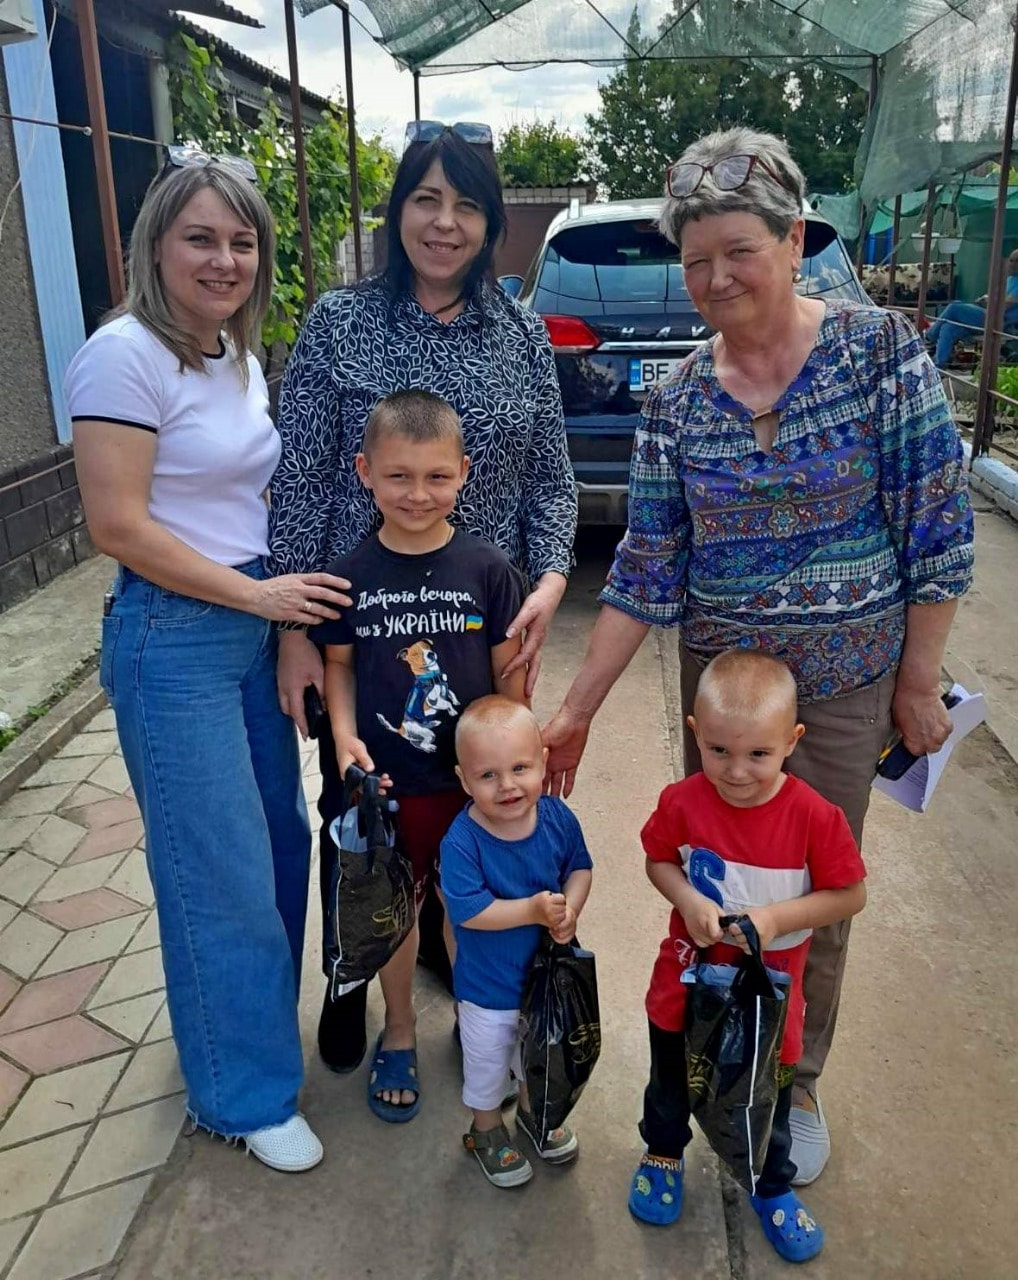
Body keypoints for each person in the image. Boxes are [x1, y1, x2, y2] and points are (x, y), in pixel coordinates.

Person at [543, 126, 974, 1185]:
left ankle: (795, 1079)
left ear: (792, 241)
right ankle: (721, 1046)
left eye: (738, 249)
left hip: (843, 688)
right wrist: (576, 709)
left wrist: (917, 680)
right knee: (722, 881)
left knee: (813, 885)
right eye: (695, 260)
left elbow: (937, 526)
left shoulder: (879, 353)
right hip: (727, 704)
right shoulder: (677, 397)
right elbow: (646, 566)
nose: (715, 278)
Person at [65, 152, 352, 1172]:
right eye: (200, 237)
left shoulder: (231, 351)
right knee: (216, 868)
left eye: (241, 241)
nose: (224, 259)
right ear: (156, 244)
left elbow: (248, 498)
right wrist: (261, 599)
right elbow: (117, 525)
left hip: (249, 626)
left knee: (276, 843)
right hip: (175, 636)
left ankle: (236, 1033)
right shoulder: (121, 356)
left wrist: (282, 624)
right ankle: (241, 1093)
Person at [271, 122, 577, 1077]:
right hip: (363, 619)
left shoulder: (521, 332)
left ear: (490, 224)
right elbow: (300, 479)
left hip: (483, 624)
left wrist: (550, 582)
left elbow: (551, 479)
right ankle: (350, 972)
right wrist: (294, 625)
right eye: (426, 200)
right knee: (363, 807)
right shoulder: (340, 324)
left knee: (481, 799)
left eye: (467, 206)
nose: (445, 224)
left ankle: (456, 944)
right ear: (398, 210)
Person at [309, 390, 527, 1121]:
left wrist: (518, 758)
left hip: (470, 792)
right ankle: (398, 1029)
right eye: (398, 476)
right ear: (365, 472)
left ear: (464, 472)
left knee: (469, 912)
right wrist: (342, 736)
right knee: (395, 916)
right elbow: (339, 667)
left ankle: (479, 1019)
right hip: (388, 786)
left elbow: (508, 679)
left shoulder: (489, 569)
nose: (418, 493)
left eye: (437, 476)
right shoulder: (348, 576)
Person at [629, 649, 865, 1262]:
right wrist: (686, 898)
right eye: (719, 751)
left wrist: (775, 920)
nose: (736, 772)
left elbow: (850, 894)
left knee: (769, 1095)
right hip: (685, 979)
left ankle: (769, 1180)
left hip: (770, 997)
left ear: (792, 741)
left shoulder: (815, 817)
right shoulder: (683, 801)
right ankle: (663, 1150)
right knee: (671, 1077)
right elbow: (657, 859)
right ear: (695, 734)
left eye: (759, 754)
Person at [440, 696, 593, 1187]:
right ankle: (485, 1130)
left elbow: (580, 868)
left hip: (545, 983)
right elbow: (469, 911)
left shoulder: (556, 818)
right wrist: (531, 910)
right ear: (464, 780)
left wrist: (570, 908)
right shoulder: (462, 841)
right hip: (487, 991)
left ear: (543, 764)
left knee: (538, 1058)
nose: (507, 785)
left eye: (520, 768)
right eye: (488, 775)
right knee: (487, 1068)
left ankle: (533, 1114)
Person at [923, 248, 1018, 368]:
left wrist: (989, 300)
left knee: (954, 306)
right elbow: (996, 298)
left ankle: (929, 337)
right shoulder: (1010, 279)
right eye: (1011, 260)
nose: (1012, 264)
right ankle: (939, 366)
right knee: (948, 327)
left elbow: (1005, 305)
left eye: (1016, 261)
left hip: (999, 323)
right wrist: (986, 298)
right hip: (987, 317)